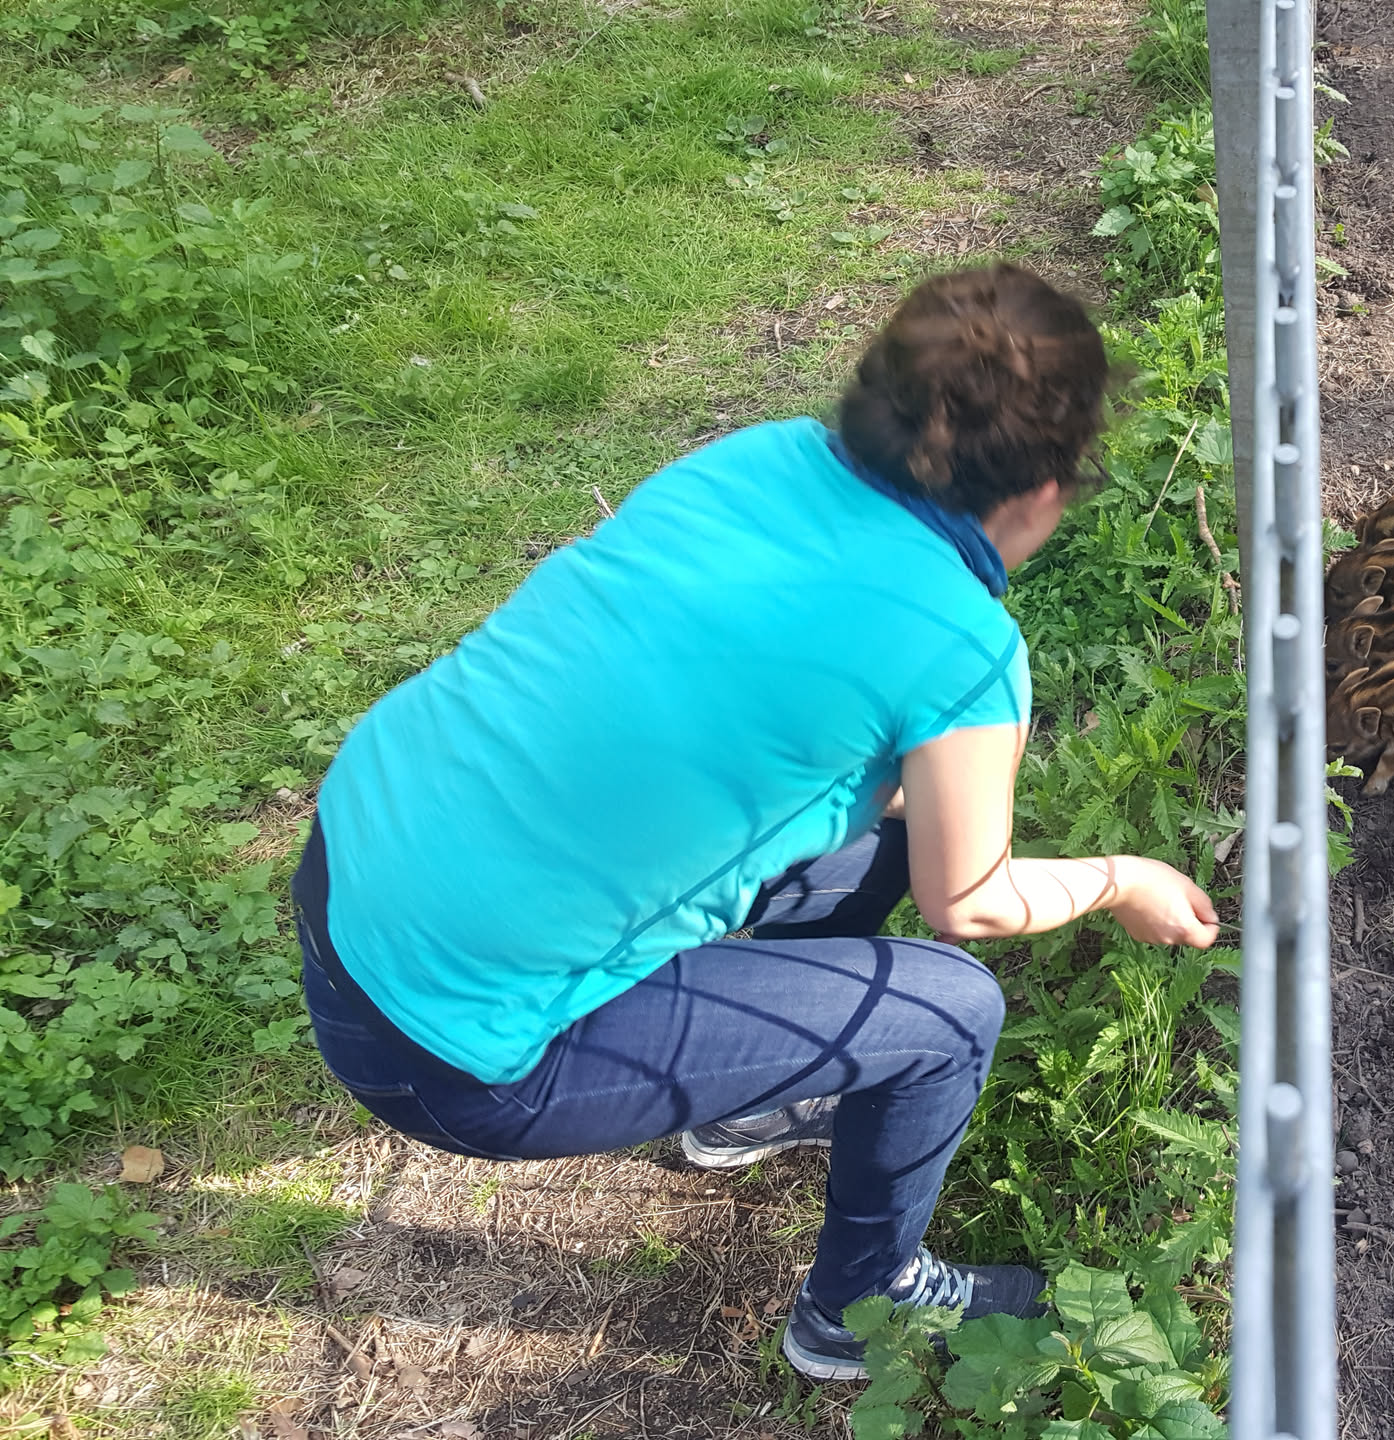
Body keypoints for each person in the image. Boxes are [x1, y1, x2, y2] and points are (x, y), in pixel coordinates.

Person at [289, 263, 1221, 1381]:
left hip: (351, 871)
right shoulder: (962, 652)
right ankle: (859, 1310)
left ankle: (744, 1111)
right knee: (953, 1011)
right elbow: (970, 903)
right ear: (1045, 492)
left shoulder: (757, 459)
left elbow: (765, 733)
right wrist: (1122, 878)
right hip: (450, 1048)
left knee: (884, 835)